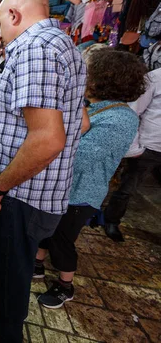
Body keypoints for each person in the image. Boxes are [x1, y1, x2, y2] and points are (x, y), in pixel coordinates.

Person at [0, 0, 86, 343]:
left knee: (14, 270)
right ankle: (0, 317)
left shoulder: (35, 49)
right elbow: (77, 121)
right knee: (6, 266)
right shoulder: (61, 45)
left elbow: (47, 137)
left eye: (1, 24)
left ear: (14, 15)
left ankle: (5, 334)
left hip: (20, 194)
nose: (0, 33)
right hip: (29, 190)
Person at [35, 49, 147, 309]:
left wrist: (51, 142)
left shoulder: (120, 118)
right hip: (61, 186)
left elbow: (83, 157)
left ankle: (65, 285)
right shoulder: (94, 106)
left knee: (62, 238)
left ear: (104, 78)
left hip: (81, 192)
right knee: (46, 229)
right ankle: (37, 264)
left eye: (86, 71)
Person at [103, 64, 161, 241]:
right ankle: (111, 220)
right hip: (149, 145)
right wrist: (134, 147)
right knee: (128, 187)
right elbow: (134, 110)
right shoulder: (155, 78)